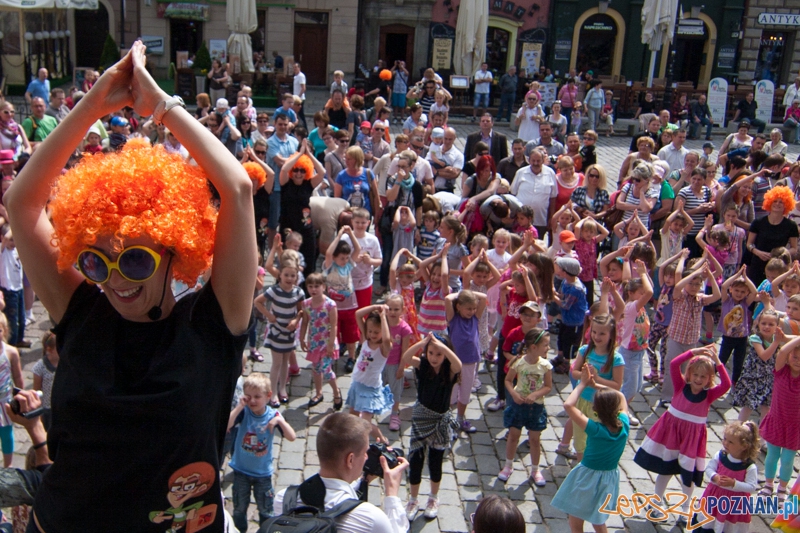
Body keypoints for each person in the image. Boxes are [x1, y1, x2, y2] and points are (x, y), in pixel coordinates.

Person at [4, 41, 257, 530]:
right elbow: (21, 205)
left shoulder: (213, 324)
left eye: (136, 259)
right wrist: (95, 103)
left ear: (174, 249)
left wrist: (160, 106)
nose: (115, 279)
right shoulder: (80, 313)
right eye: (96, 263)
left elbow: (237, 189)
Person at [634, 347, 730, 524]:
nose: (698, 379)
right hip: (670, 435)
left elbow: (727, 385)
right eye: (695, 375)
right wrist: (694, 352)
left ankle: (685, 508)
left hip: (691, 440)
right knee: (665, 468)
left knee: (689, 474)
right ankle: (656, 501)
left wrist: (718, 361)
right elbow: (673, 363)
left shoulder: (709, 395)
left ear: (709, 379)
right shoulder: (680, 387)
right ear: (689, 374)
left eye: (703, 376)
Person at [273, 412, 410, 533]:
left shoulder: (284, 500)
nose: (367, 457)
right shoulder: (370, 519)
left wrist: (364, 480)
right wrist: (392, 496)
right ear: (350, 459)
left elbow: (329, 497)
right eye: (364, 453)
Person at [551, 366, 630, 532]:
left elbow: (568, 405)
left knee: (575, 519)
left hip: (587, 477)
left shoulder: (595, 429)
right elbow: (621, 395)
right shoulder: (624, 425)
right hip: (609, 478)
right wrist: (597, 386)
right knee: (598, 520)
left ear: (595, 410)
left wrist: (583, 384)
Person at [401, 333, 461, 521]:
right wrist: (422, 343)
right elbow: (406, 358)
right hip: (421, 419)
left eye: (439, 354)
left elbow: (458, 365)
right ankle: (413, 499)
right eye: (431, 353)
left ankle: (433, 497)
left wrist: (444, 348)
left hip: (439, 421)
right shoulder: (423, 365)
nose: (434, 358)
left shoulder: (448, 371)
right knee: (416, 460)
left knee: (435, 463)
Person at [228, 372, 297, 532]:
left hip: (262, 474)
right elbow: (228, 425)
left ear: (268, 396)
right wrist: (239, 406)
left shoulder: (273, 415)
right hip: (241, 470)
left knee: (266, 510)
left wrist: (280, 420)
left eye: (257, 397)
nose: (252, 401)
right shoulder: (244, 413)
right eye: (248, 396)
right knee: (239, 509)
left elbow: (292, 436)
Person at [499, 327, 553, 485]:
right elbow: (508, 380)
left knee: (535, 439)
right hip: (518, 405)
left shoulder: (545, 366)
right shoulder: (518, 362)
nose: (548, 348)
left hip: (535, 407)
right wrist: (514, 395)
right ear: (534, 347)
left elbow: (548, 386)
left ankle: (535, 470)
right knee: (513, 436)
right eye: (546, 345)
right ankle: (508, 465)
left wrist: (535, 394)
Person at [691, 421, 760, 532]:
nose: (725, 443)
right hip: (714, 497)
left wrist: (734, 483)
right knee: (708, 523)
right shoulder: (720, 456)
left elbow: (751, 487)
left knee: (727, 527)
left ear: (744, 446)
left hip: (733, 504)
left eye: (731, 442)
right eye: (725, 439)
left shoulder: (749, 466)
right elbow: (709, 468)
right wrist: (714, 477)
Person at [279, 141, 325, 271]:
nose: (298, 173)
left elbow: (322, 172)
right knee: (286, 261)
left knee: (309, 261)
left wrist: (309, 155)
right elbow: (284, 168)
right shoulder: (285, 183)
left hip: (305, 226)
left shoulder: (308, 184)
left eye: (303, 170)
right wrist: (299, 154)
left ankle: (307, 288)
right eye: (296, 170)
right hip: (288, 225)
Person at [510, 148, 557, 238]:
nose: (535, 163)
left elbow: (553, 197)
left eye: (538, 161)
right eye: (533, 160)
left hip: (541, 219)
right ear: (529, 160)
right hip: (521, 221)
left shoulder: (550, 173)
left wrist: (551, 217)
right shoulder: (521, 172)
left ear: (543, 160)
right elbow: (513, 193)